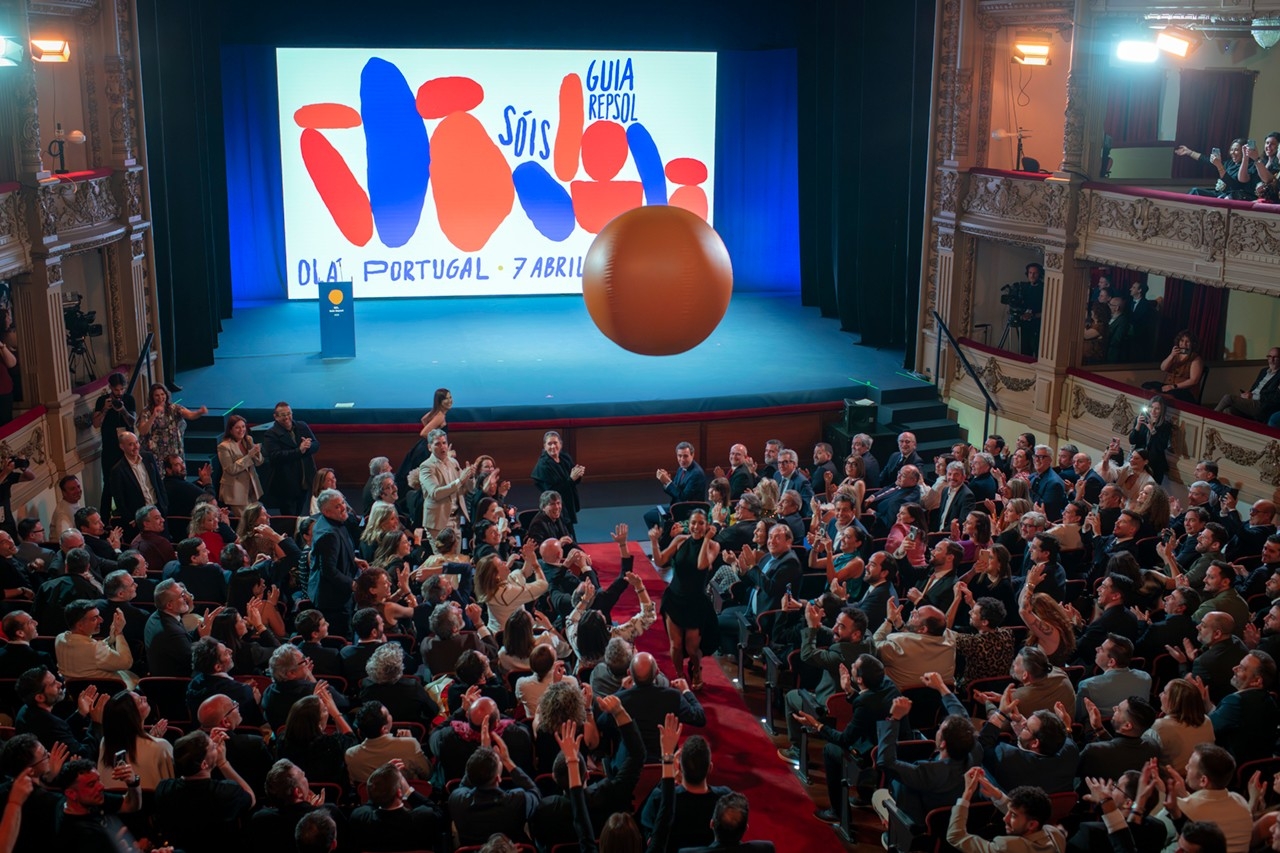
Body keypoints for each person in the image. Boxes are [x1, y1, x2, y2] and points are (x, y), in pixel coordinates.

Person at [650, 509, 719, 688]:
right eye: (693, 522)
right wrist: (654, 541)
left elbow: (701, 564)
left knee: (692, 648)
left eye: (701, 523)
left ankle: (696, 669)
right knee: (676, 645)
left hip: (695, 603)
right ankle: (680, 675)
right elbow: (660, 561)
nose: (696, 527)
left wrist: (706, 539)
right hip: (674, 599)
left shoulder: (713, 546)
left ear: (707, 525)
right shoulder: (680, 540)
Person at [947, 768, 1066, 853]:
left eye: (1013, 815)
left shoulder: (1007, 847)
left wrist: (967, 793)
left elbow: (955, 836)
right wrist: (996, 794)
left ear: (1032, 825)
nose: (1005, 818)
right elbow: (1023, 813)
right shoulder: (1055, 834)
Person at [308, 489, 364, 635]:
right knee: (341, 635)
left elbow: (335, 553)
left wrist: (354, 559)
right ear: (326, 512)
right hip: (332, 600)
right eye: (337, 506)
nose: (343, 507)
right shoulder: (329, 534)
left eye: (342, 503)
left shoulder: (333, 522)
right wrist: (352, 584)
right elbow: (329, 570)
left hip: (335, 594)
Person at [95, 689, 173, 789]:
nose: (145, 698)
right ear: (132, 715)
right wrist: (154, 742)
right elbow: (170, 788)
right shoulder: (161, 746)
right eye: (140, 701)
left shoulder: (105, 742)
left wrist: (151, 739)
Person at [54, 600, 137, 688]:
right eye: (94, 618)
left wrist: (111, 639)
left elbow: (89, 652)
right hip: (109, 691)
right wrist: (119, 633)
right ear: (80, 625)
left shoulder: (60, 639)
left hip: (75, 692)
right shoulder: (95, 649)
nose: (101, 620)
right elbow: (126, 662)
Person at [91, 372, 137, 518]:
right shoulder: (102, 400)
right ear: (110, 387)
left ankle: (129, 513)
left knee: (130, 479)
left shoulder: (128, 399)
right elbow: (96, 424)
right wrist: (105, 409)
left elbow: (132, 422)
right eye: (116, 390)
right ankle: (104, 517)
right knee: (109, 483)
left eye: (122, 389)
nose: (119, 393)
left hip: (128, 447)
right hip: (110, 448)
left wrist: (122, 410)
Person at [261, 402, 319, 517]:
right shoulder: (271, 434)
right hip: (286, 484)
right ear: (276, 417)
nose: (287, 417)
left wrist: (308, 446)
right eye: (283, 415)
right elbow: (275, 456)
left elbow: (316, 444)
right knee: (289, 515)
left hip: (305, 479)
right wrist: (299, 451)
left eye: (289, 414)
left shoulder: (302, 426)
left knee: (301, 510)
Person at [417, 428, 476, 541]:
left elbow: (465, 489)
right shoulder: (426, 466)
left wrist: (470, 478)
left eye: (444, 443)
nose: (442, 446)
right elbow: (435, 493)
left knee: (456, 559)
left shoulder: (453, 462)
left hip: (456, 520)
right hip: (438, 522)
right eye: (437, 444)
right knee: (443, 558)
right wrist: (460, 480)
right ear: (430, 447)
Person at [643, 441, 708, 535]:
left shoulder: (696, 474)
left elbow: (683, 497)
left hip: (685, 510)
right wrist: (666, 482)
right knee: (649, 514)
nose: (682, 459)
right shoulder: (681, 468)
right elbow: (675, 491)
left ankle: (663, 542)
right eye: (679, 456)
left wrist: (669, 482)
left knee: (650, 516)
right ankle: (661, 541)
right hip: (676, 507)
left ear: (692, 455)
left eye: (685, 456)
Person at [108, 431, 167, 528]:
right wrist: (130, 519)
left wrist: (164, 505)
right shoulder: (118, 470)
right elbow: (119, 499)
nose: (136, 447)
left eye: (136, 442)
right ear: (122, 447)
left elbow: (158, 482)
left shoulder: (148, 458)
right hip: (139, 517)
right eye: (131, 444)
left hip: (158, 509)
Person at [137, 382, 207, 462]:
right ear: (152, 397)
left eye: (162, 394)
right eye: (157, 395)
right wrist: (153, 416)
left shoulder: (174, 408)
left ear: (166, 395)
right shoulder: (146, 412)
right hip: (155, 454)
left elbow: (190, 415)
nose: (160, 397)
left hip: (174, 453)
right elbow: (143, 431)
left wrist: (199, 412)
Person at [530, 430, 584, 534]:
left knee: (570, 533)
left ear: (561, 444)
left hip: (567, 503)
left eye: (555, 443)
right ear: (544, 446)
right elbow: (552, 492)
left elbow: (573, 481)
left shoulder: (565, 458)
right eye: (549, 444)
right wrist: (571, 479)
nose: (553, 446)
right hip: (554, 506)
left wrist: (578, 474)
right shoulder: (543, 466)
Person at [216, 415, 264, 516]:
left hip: (252, 487)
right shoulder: (224, 447)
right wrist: (249, 456)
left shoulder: (248, 440)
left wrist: (257, 453)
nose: (241, 430)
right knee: (246, 522)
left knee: (257, 518)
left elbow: (259, 462)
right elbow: (231, 469)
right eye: (237, 427)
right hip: (236, 491)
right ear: (230, 429)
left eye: (243, 427)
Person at [1217, 346, 1280, 422]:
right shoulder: (1263, 371)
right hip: (1251, 401)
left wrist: (1253, 396)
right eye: (1269, 356)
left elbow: (1275, 398)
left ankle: (1210, 418)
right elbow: (1255, 388)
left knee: (1228, 398)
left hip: (1262, 405)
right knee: (1228, 410)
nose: (1271, 360)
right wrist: (1248, 394)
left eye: (1275, 357)